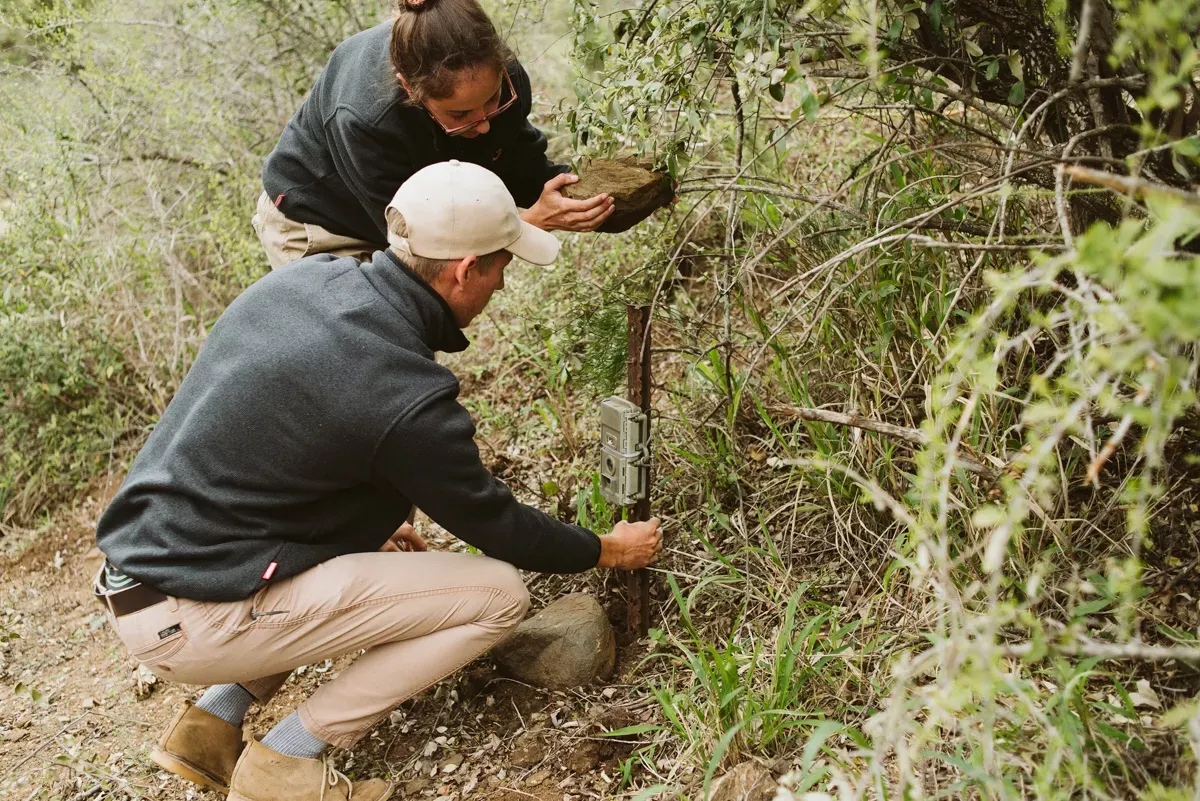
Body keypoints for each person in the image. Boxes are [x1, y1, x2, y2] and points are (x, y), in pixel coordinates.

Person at [94, 160, 661, 800]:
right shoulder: (402, 390)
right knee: (500, 594)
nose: (505, 282)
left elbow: (273, 444)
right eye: (503, 264)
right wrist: (607, 548)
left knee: (380, 548)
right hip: (194, 614)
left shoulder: (307, 281)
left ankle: (210, 726)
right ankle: (285, 763)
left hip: (144, 574)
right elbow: (499, 526)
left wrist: (368, 523)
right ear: (465, 269)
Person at [252, 0, 614, 270]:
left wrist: (593, 196)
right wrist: (530, 224)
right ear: (410, 89)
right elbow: (419, 248)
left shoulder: (505, 80)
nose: (485, 123)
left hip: (395, 215)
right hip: (317, 222)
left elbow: (518, 161)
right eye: (461, 115)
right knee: (368, 349)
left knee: (410, 344)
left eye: (492, 102)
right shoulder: (368, 120)